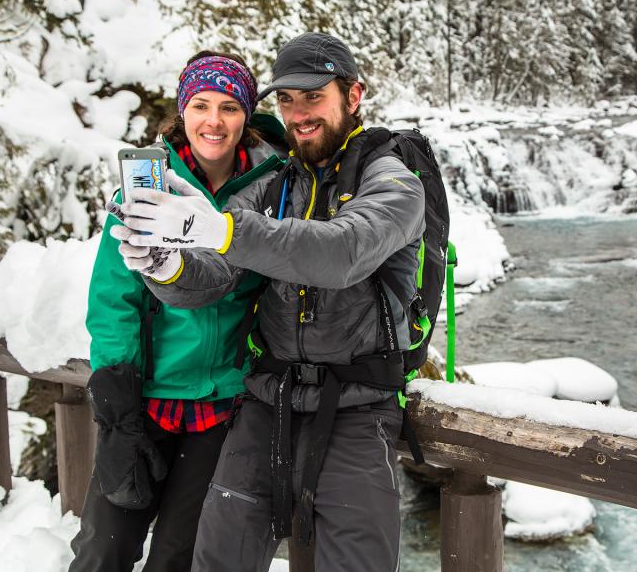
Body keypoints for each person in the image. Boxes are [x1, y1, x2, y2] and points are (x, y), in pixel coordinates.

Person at [112, 32, 425, 572]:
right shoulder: (276, 185)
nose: (298, 114)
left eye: (313, 96)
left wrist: (222, 227)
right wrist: (166, 265)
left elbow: (341, 253)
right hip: (268, 400)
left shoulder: (393, 181)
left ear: (354, 96)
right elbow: (211, 278)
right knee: (216, 558)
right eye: (286, 100)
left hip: (357, 405)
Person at [69, 51, 283, 572]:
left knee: (178, 557)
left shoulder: (270, 192)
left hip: (222, 405)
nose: (215, 121)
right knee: (104, 550)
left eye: (230, 107)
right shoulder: (146, 188)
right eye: (202, 105)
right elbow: (114, 298)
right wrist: (118, 407)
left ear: (246, 116)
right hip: (146, 399)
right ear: (182, 111)